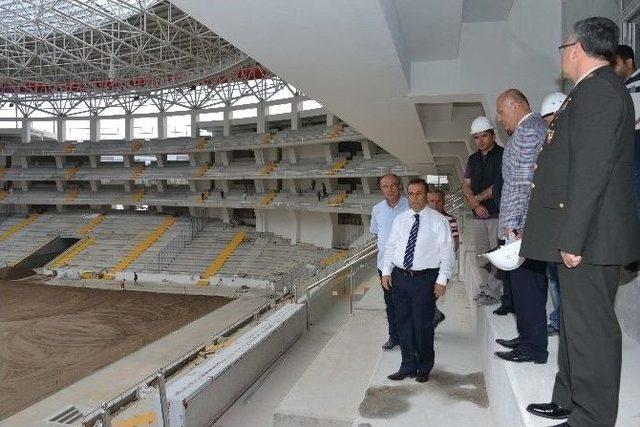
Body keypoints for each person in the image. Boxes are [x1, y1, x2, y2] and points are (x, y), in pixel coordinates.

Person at [523, 17, 640, 427]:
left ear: (576, 48)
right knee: (574, 323)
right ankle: (569, 398)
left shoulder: (601, 93)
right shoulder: (590, 91)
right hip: (583, 232)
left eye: (563, 47)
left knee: (591, 330)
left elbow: (591, 172)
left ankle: (591, 418)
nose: (562, 54)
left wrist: (573, 238)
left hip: (591, 237)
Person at [381, 178, 455, 383]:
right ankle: (407, 365)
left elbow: (447, 252)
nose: (414, 198)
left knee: (422, 325)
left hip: (425, 280)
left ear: (426, 194)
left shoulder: (439, 221)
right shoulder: (401, 219)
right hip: (400, 278)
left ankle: (424, 366)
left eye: (419, 193)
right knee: (403, 323)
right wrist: (386, 271)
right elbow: (391, 246)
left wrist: (442, 279)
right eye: (411, 194)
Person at [493, 89, 548, 365]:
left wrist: (517, 227)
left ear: (514, 106)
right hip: (518, 228)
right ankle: (526, 338)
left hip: (523, 229)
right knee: (522, 288)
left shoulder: (528, 132)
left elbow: (526, 185)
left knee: (529, 288)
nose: (501, 120)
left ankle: (534, 347)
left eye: (501, 113)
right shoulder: (526, 131)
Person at [462, 116, 505, 307]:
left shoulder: (503, 155)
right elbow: (466, 185)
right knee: (481, 257)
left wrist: (477, 199)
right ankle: (486, 289)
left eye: (484, 136)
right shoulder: (472, 159)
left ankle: (495, 293)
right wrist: (475, 205)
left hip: (497, 215)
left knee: (496, 256)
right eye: (476, 137)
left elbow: (499, 185)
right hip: (478, 215)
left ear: (493, 135)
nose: (480, 141)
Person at [540, 91, 568, 337]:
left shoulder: (574, 142)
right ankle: (559, 319)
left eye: (551, 120)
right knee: (554, 275)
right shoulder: (551, 143)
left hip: (567, 223)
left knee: (562, 278)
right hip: (552, 222)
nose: (550, 126)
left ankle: (563, 321)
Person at [370, 173, 409, 350]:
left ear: (399, 186)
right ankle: (394, 337)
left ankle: (409, 336)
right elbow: (378, 234)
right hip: (385, 267)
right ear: (381, 189)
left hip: (407, 265)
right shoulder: (377, 209)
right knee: (390, 303)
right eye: (385, 186)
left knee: (408, 302)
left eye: (393, 185)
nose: (390, 189)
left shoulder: (410, 205)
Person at [612, 44, 640, 216]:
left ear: (628, 62)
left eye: (616, 63)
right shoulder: (620, 88)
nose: (613, 68)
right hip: (627, 141)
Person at [427, 188, 460, 329]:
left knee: (429, 296)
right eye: (431, 201)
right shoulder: (423, 219)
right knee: (425, 297)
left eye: (438, 201)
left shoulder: (450, 220)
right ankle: (433, 316)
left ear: (444, 202)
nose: (435, 204)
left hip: (440, 267)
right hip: (426, 265)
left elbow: (454, 244)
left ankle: (432, 317)